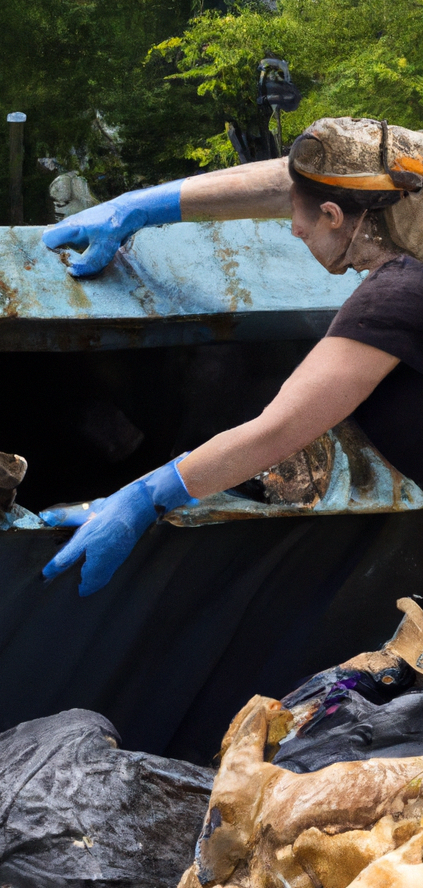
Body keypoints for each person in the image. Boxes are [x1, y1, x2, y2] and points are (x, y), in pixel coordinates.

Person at [40, 117, 423, 596]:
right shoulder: (408, 185)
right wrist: (139, 206)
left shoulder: (394, 298)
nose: (291, 229)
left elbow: (278, 430)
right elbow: (288, 181)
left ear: (333, 215)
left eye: (298, 220)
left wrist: (144, 498)